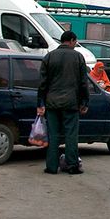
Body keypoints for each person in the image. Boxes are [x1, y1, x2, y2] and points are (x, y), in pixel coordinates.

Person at [37, 31, 91, 175]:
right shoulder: (78, 57)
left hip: (51, 103)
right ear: (72, 40)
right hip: (71, 103)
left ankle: (51, 167)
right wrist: (85, 102)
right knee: (71, 135)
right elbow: (83, 83)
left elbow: (42, 83)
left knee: (53, 135)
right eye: (75, 42)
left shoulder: (49, 56)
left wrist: (40, 103)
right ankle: (72, 165)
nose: (75, 44)